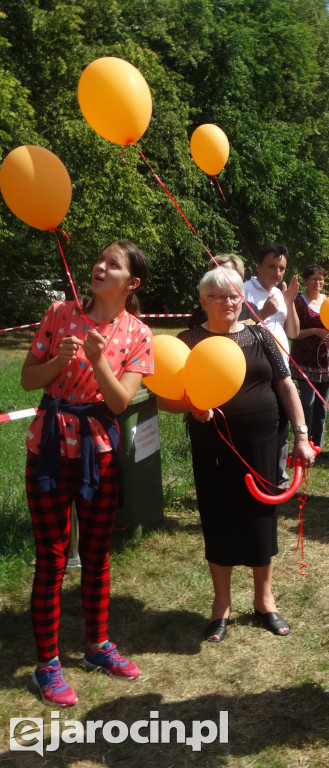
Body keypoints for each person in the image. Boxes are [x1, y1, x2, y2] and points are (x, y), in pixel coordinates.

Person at [21, 240, 154, 708]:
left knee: (96, 555)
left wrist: (98, 360)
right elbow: (27, 379)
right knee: (53, 557)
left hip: (98, 452)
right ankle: (47, 666)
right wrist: (59, 360)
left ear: (131, 283)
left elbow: (119, 404)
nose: (99, 266)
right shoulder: (60, 313)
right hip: (50, 449)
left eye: (112, 264)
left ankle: (97, 647)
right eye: (100, 260)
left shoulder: (138, 332)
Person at [158, 268, 315, 642]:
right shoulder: (189, 341)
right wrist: (189, 405)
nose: (228, 303)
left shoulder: (260, 334)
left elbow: (286, 384)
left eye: (233, 296)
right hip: (212, 447)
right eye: (218, 296)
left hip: (264, 443)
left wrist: (302, 434)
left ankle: (265, 601)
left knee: (262, 518)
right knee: (218, 518)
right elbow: (164, 396)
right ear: (203, 302)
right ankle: (221, 606)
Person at [244, 243, 300, 486]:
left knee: (282, 423)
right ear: (258, 266)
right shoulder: (244, 291)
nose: (277, 273)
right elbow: (237, 332)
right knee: (261, 426)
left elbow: (294, 332)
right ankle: (258, 474)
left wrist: (290, 302)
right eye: (272, 266)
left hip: (282, 369)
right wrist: (263, 313)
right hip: (256, 371)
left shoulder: (279, 292)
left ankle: (278, 475)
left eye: (282, 268)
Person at [289, 264, 329, 449]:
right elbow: (292, 333)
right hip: (305, 362)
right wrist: (315, 331)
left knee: (322, 407)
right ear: (305, 281)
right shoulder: (299, 303)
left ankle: (318, 446)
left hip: (327, 362)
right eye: (313, 279)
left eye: (321, 279)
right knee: (307, 405)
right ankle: (304, 445)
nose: (318, 282)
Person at [187, 254, 259, 327]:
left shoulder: (251, 309)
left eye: (228, 273)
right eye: (216, 273)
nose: (221, 277)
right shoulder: (202, 311)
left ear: (240, 276)